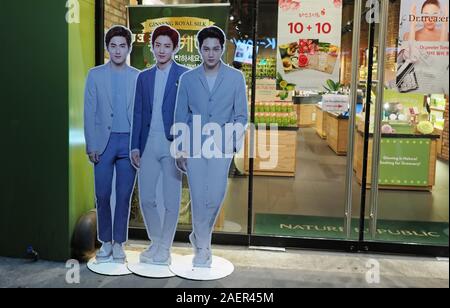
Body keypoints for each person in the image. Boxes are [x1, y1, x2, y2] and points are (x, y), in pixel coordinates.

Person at [173, 26, 248, 268]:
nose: (211, 54)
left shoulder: (236, 78)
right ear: (199, 50)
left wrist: (233, 141)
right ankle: (204, 247)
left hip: (221, 146)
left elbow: (241, 116)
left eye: (216, 49)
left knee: (215, 196)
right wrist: (181, 148)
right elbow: (180, 116)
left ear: (222, 49)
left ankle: (198, 235)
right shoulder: (187, 79)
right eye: (206, 49)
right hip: (194, 145)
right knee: (198, 196)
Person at [130, 25, 188, 265]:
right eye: (158, 45)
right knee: (147, 199)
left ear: (175, 48)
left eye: (167, 46)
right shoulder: (143, 77)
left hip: (172, 144)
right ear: (152, 47)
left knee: (171, 200)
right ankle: (157, 242)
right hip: (148, 144)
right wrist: (134, 146)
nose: (162, 50)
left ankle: (165, 248)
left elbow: (189, 113)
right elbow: (138, 113)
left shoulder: (185, 75)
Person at [84, 26, 139, 264]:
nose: (117, 50)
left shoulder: (138, 76)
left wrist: (138, 145)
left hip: (128, 143)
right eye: (113, 45)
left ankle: (119, 243)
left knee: (124, 195)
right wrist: (91, 144)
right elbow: (89, 112)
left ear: (129, 48)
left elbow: (141, 114)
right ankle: (105, 241)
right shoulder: (94, 74)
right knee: (103, 194)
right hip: (103, 144)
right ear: (107, 47)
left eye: (122, 45)